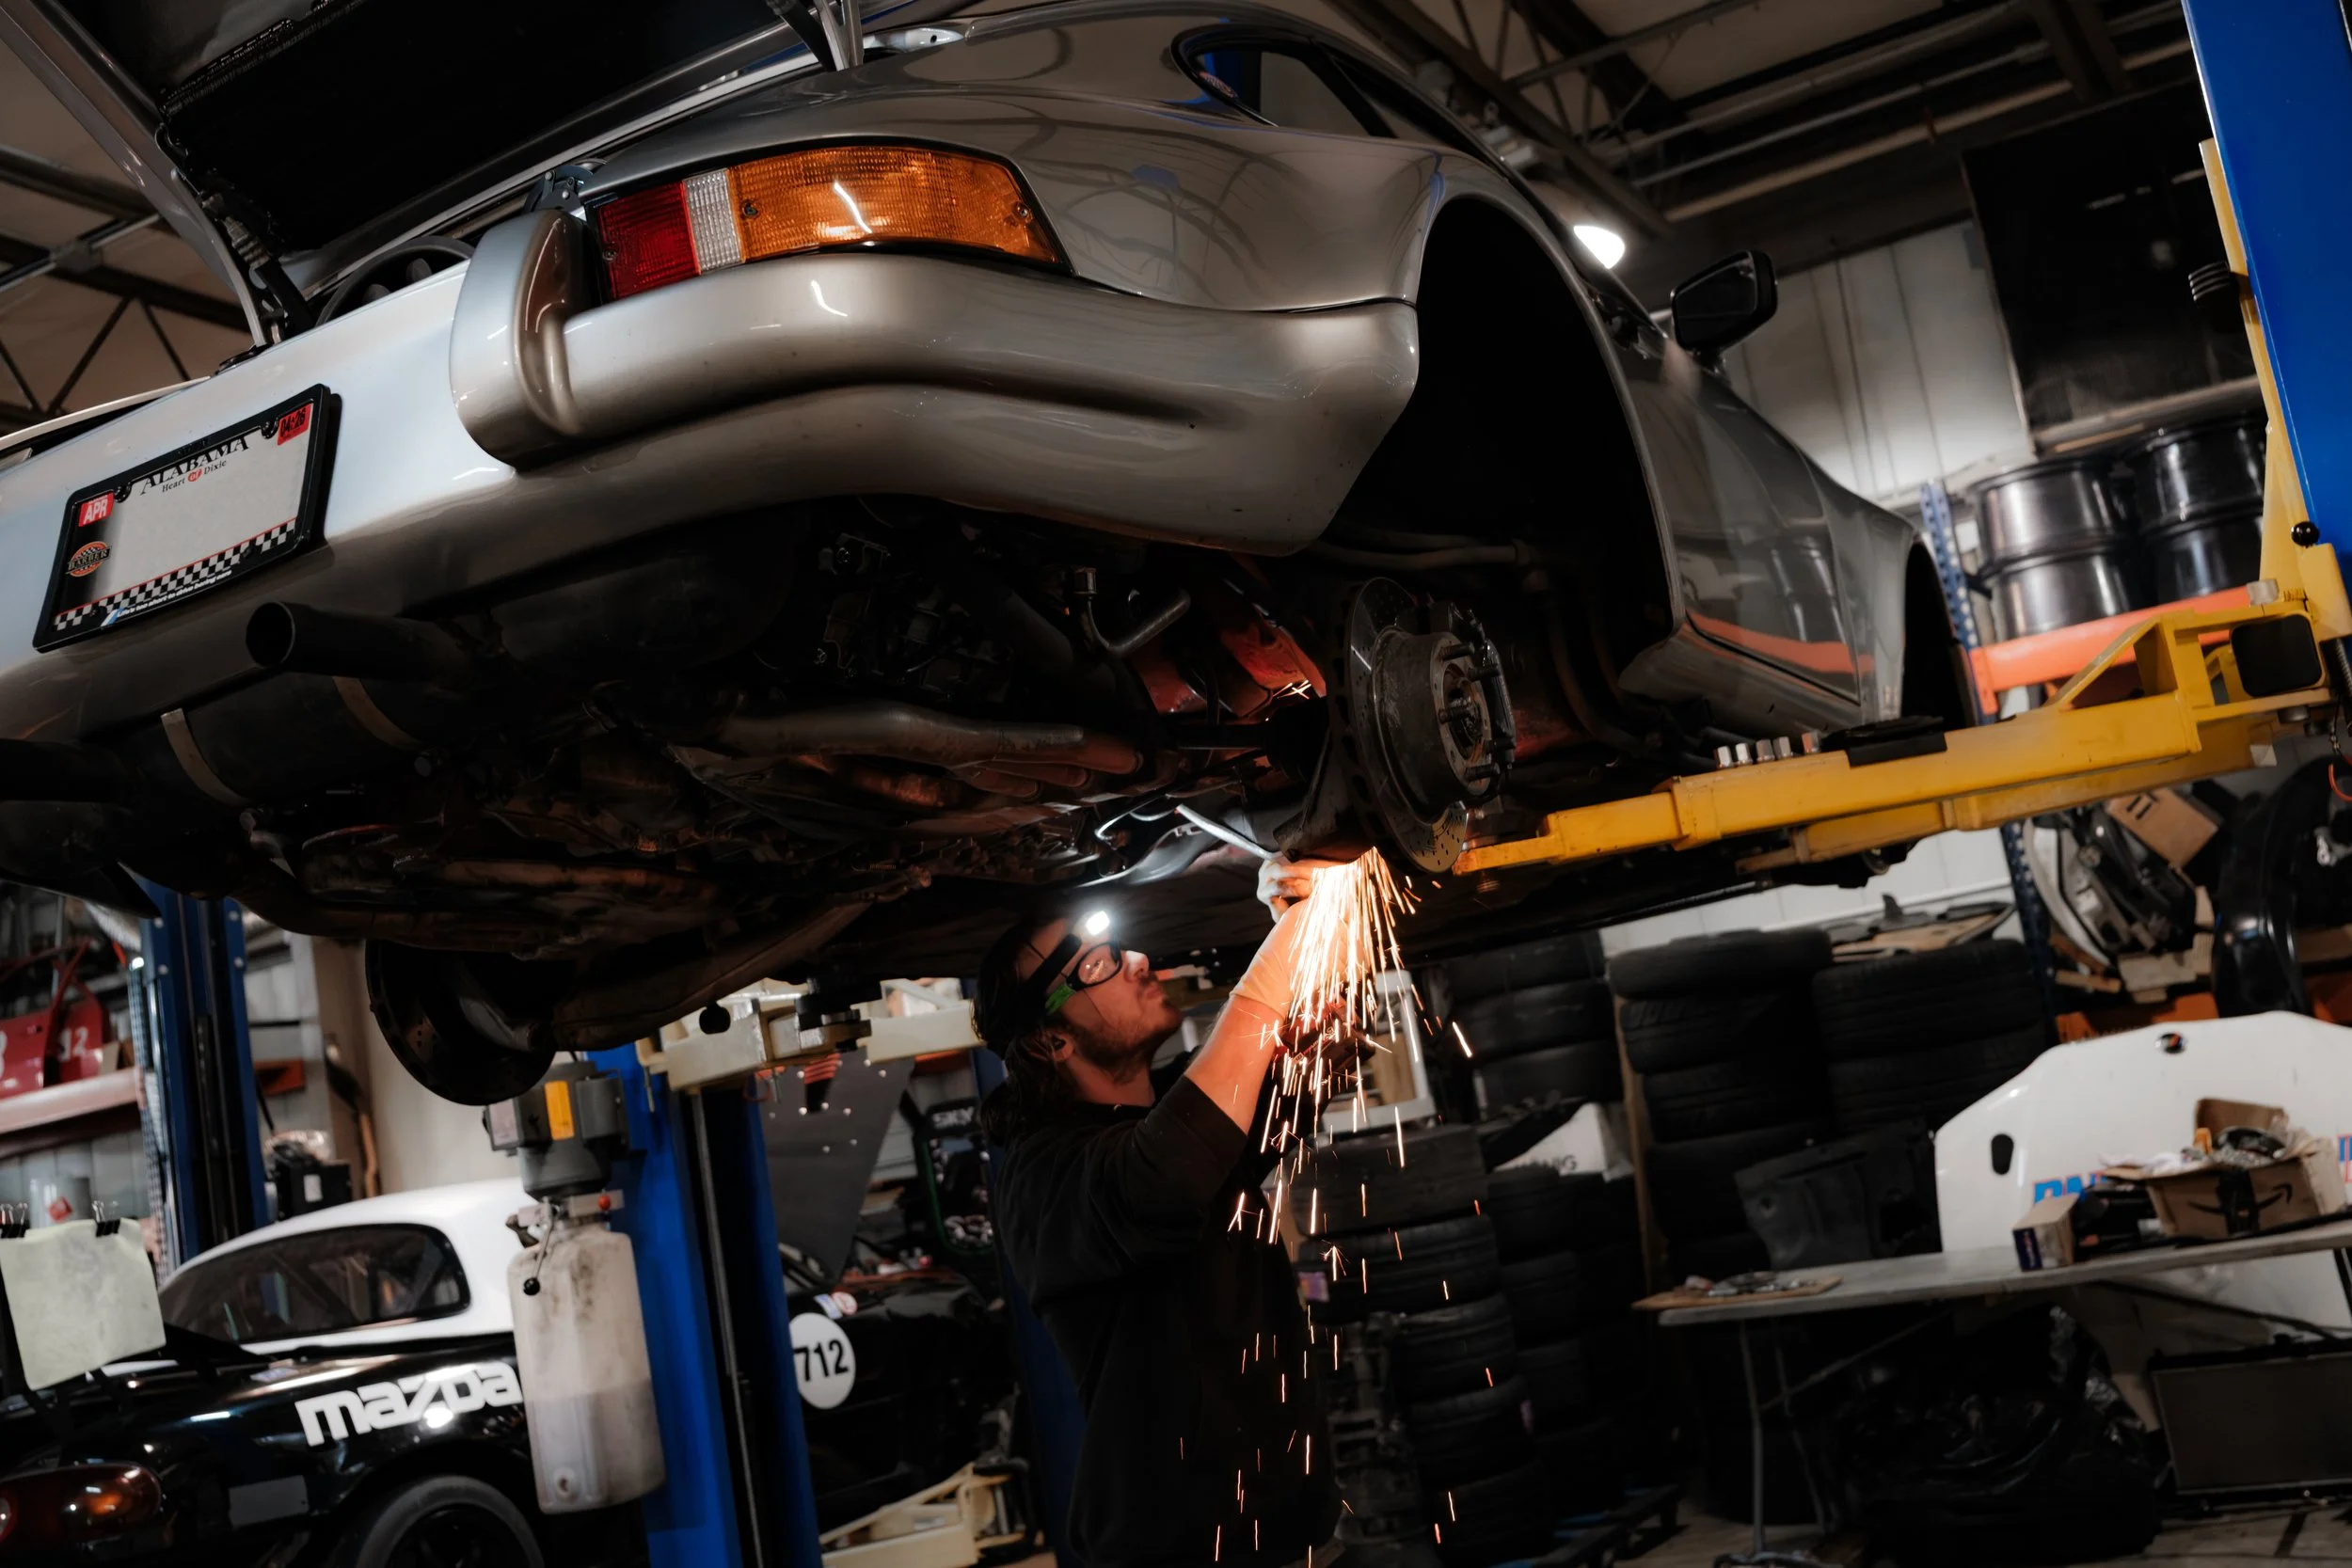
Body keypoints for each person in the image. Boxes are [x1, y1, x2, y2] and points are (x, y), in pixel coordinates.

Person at [977, 855, 1344, 1568]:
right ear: (1051, 1040)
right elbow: (1166, 1170)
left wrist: (1307, 918)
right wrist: (1281, 951)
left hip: (1292, 1536)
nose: (1141, 961)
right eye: (1100, 965)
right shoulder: (1045, 1176)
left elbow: (1309, 1057)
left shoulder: (1167, 1129)